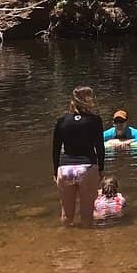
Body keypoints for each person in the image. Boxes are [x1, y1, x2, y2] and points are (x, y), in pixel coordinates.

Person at [52, 85, 106, 226]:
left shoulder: (61, 120)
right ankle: (89, 246)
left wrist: (55, 171)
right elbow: (100, 147)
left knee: (66, 215)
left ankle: (65, 244)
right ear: (89, 100)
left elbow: (56, 148)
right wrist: (101, 169)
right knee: (87, 217)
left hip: (65, 169)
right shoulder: (95, 120)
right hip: (87, 167)